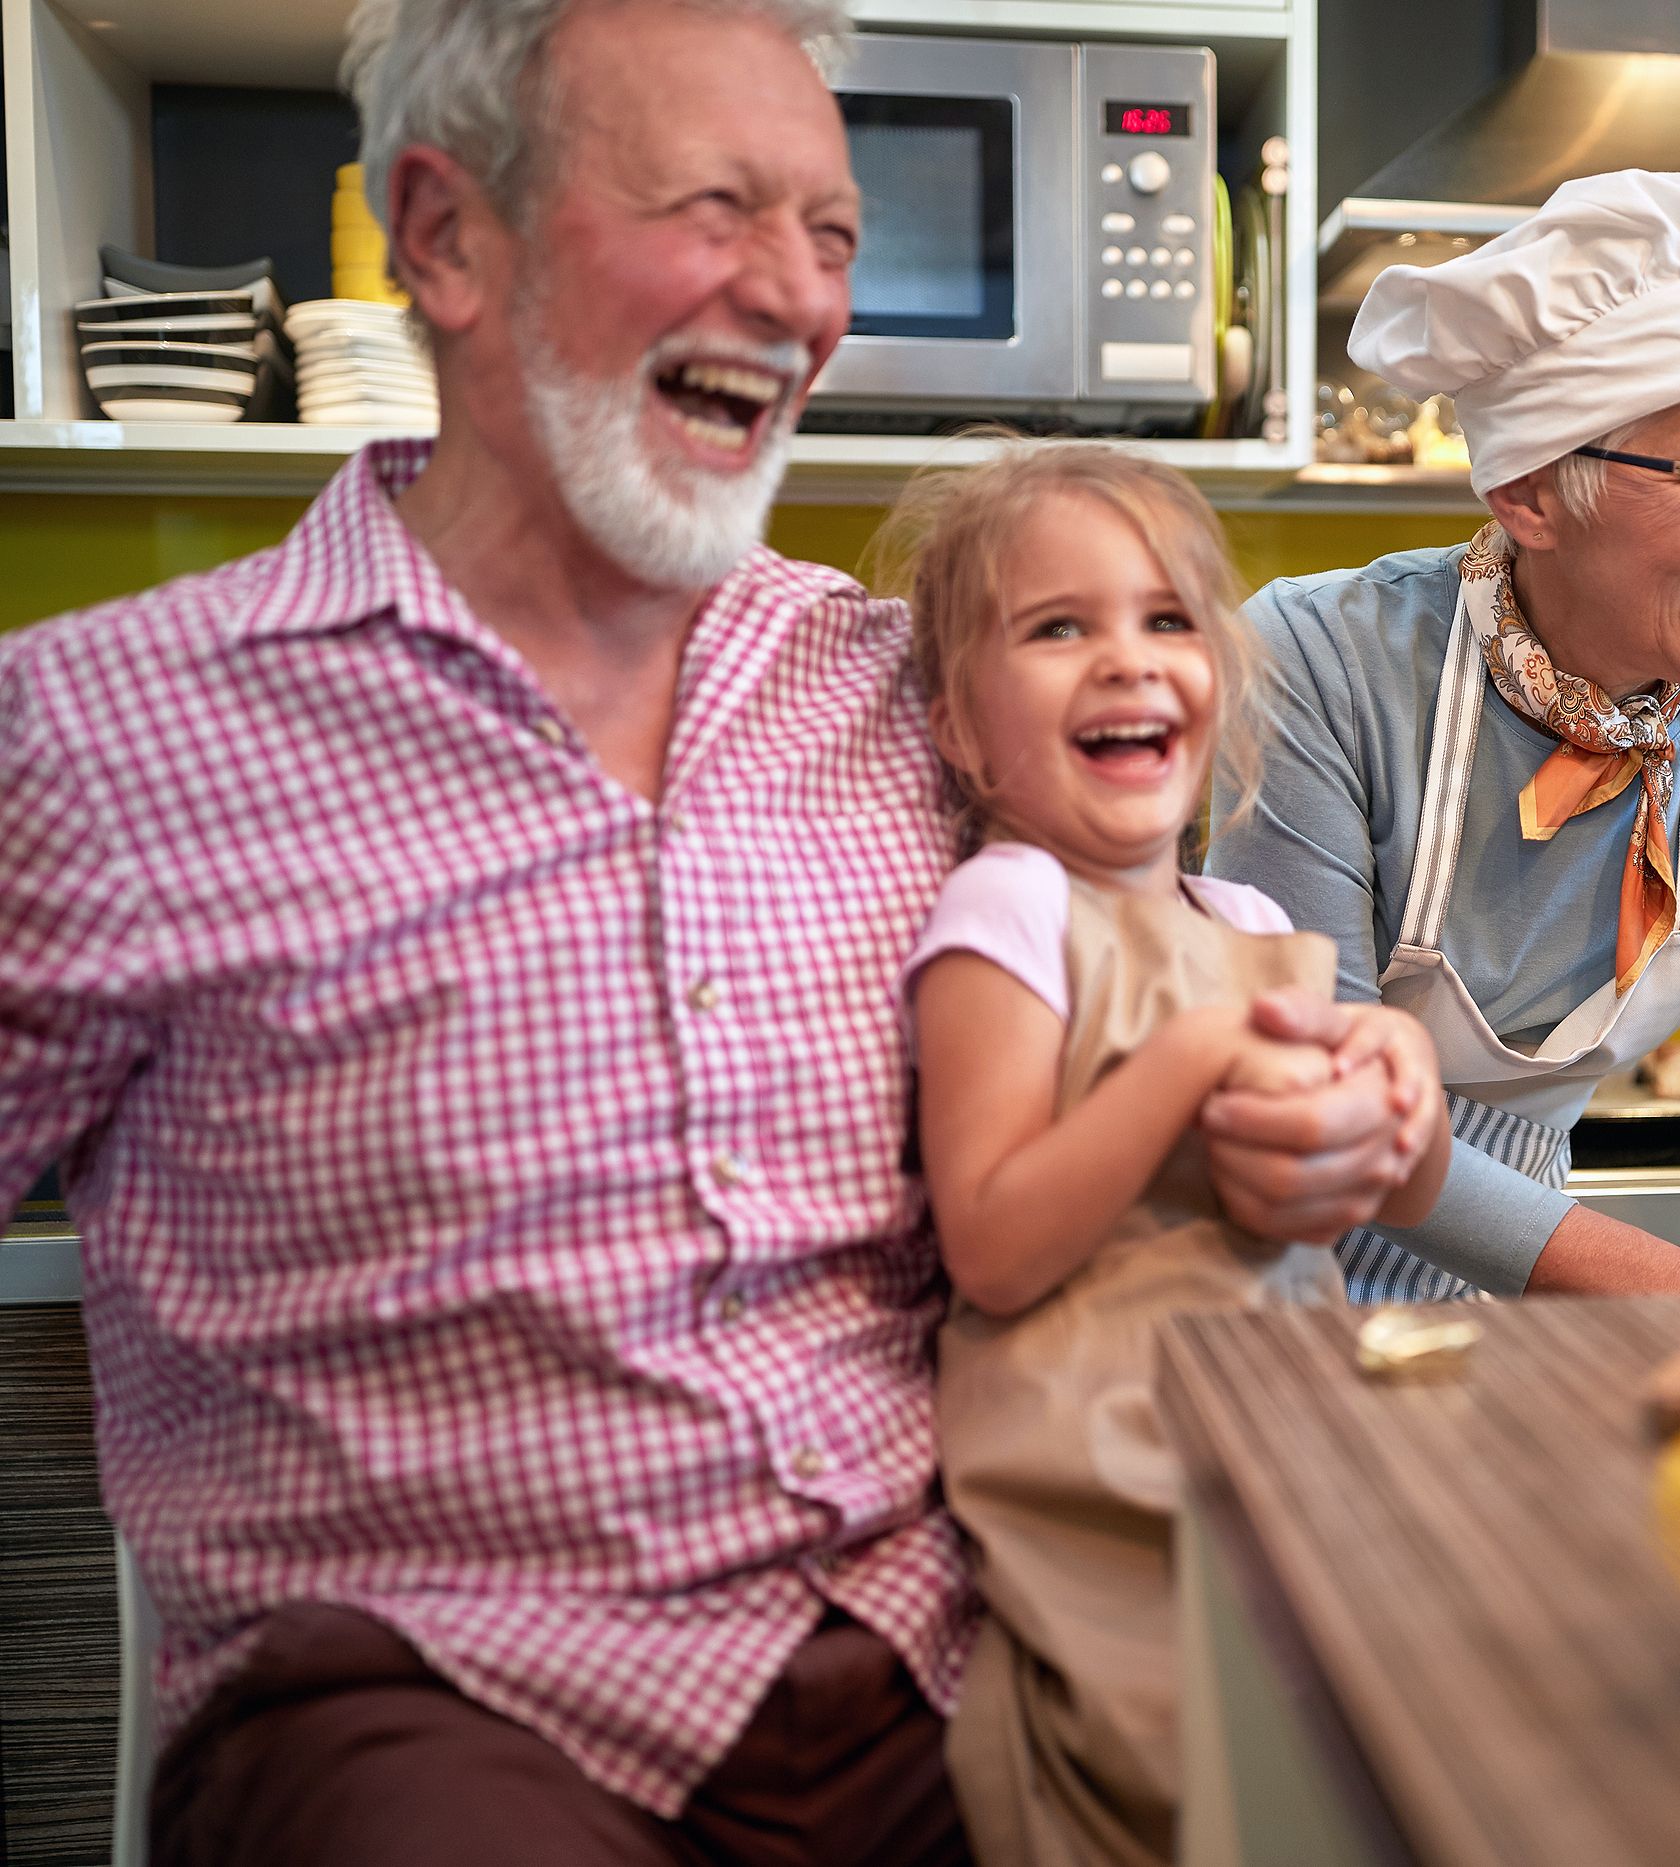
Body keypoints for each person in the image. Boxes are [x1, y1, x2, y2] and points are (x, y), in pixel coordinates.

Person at [0, 3, 1426, 1861]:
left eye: (828, 232)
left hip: (952, 1656)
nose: (796, 296)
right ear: (443, 236)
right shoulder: (101, 735)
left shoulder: (906, 688)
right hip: (436, 1708)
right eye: (715, 207)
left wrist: (1362, 1096)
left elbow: (1157, 988)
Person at [1207, 169, 1680, 1304]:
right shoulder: (1319, 667)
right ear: (1528, 494)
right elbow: (1323, 1107)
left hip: (1522, 1329)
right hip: (1260, 1311)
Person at [887, 444, 1445, 1867]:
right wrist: (1187, 1060)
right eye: (1058, 626)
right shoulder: (1006, 908)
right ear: (957, 729)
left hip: (1277, 1455)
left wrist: (1397, 1075)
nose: (1125, 660)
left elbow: (1369, 1173)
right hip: (1108, 1491)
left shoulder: (1244, 909)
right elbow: (999, 1246)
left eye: (1166, 618)